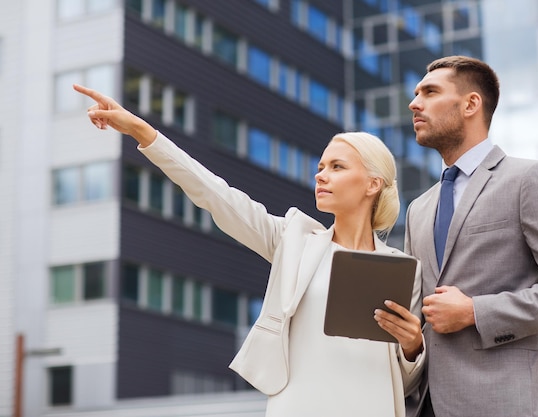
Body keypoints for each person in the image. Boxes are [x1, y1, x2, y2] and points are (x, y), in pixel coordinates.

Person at [73, 84, 425, 417]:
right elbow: (213, 193)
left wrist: (412, 346)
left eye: (337, 167)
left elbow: (404, 381)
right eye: (320, 167)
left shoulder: (401, 269)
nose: (320, 176)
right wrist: (139, 130)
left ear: (373, 184)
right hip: (302, 404)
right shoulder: (294, 241)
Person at [404, 55, 538, 417]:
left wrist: (475, 311)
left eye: (429, 92)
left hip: (504, 404)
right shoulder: (419, 208)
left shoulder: (528, 180)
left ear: (471, 104)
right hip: (426, 406)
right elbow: (418, 312)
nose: (414, 103)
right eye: (416, 94)